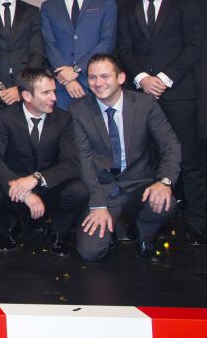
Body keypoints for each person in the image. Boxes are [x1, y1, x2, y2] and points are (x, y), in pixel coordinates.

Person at [116, 0, 206, 246]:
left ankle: (196, 224)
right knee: (147, 161)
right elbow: (124, 49)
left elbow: (193, 46)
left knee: (188, 160)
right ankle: (155, 221)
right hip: (142, 95)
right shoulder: (127, 10)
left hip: (179, 94)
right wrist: (142, 78)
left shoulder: (185, 4)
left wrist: (164, 79)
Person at [71, 54, 180, 262]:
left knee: (166, 203)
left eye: (105, 76)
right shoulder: (79, 109)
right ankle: (110, 227)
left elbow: (170, 144)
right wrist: (97, 205)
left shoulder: (145, 103)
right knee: (90, 252)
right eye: (92, 77)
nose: (98, 83)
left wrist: (165, 181)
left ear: (121, 78)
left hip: (139, 183)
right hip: (103, 188)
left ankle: (144, 233)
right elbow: (84, 160)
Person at [0, 68, 88, 255]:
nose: (54, 98)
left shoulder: (63, 118)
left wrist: (36, 178)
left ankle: (58, 232)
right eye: (46, 93)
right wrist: (22, 190)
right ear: (26, 95)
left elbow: (72, 164)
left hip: (47, 186)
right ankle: (9, 227)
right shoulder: (5, 116)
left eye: (53, 91)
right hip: (14, 188)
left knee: (79, 191)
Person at [40, 0, 117, 110]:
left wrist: (76, 69)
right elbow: (49, 45)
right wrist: (67, 79)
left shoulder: (105, 2)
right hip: (62, 88)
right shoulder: (48, 6)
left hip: (96, 84)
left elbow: (107, 41)